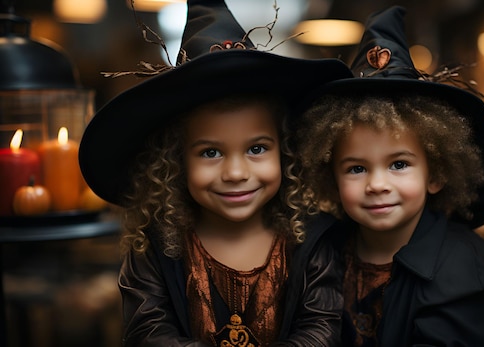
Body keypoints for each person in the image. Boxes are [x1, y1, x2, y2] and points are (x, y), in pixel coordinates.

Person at [78, 1, 352, 346]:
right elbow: (147, 332)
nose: (236, 172)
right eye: (211, 152)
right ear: (176, 161)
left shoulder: (312, 239)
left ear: (286, 152)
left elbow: (322, 330)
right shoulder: (156, 245)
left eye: (256, 149)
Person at [295, 6, 484, 347]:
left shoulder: (465, 270)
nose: (377, 184)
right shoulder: (324, 250)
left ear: (436, 173)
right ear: (330, 176)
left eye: (399, 164)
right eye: (356, 168)